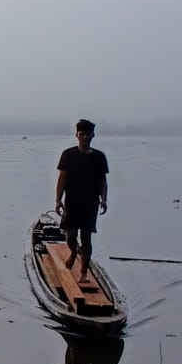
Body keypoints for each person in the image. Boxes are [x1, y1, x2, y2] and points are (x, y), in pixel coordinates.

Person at [55, 118, 109, 276]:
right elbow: (62, 179)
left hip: (90, 203)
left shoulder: (99, 157)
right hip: (71, 202)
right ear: (77, 135)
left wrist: (104, 200)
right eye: (82, 134)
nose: (85, 137)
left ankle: (84, 272)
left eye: (88, 134)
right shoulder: (68, 155)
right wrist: (58, 200)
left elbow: (102, 181)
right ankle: (73, 252)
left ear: (93, 136)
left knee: (86, 238)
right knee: (70, 236)